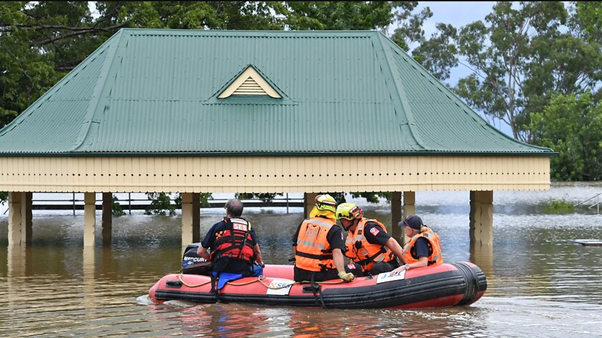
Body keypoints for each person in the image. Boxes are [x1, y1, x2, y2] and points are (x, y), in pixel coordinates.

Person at [292, 194, 359, 283]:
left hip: (299, 273)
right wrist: (342, 273)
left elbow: (295, 245)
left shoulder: (304, 223)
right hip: (321, 274)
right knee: (356, 268)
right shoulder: (333, 228)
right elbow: (337, 253)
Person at [197, 198, 265, 279]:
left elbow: (200, 252)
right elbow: (257, 252)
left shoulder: (218, 226)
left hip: (219, 269)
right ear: (241, 212)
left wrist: (212, 260)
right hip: (243, 270)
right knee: (258, 269)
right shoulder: (249, 228)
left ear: (227, 211)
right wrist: (261, 263)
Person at [335, 203, 406, 276]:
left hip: (386, 264)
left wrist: (406, 263)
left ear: (347, 220)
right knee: (348, 269)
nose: (343, 222)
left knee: (377, 268)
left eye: (342, 220)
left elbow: (391, 242)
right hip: (366, 268)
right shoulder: (351, 234)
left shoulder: (369, 228)